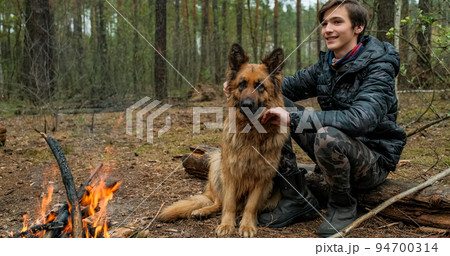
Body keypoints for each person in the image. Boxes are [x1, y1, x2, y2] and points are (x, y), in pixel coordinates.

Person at [223, 0, 406, 237]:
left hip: (372, 160)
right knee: (277, 103)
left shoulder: (379, 66)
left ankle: (342, 205)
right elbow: (280, 87)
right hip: (333, 148)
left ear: (358, 27)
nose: (327, 29)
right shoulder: (328, 64)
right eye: (324, 23)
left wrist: (293, 118)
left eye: (337, 22)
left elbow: (361, 119)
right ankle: (295, 197)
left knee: (321, 133)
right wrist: (240, 86)